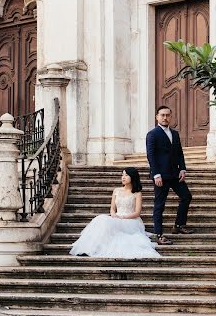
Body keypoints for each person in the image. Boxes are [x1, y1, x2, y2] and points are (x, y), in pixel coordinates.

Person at [69, 167, 160, 258]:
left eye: (126, 175)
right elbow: (112, 208)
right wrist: (113, 214)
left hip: (131, 220)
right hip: (116, 217)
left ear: (133, 177)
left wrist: (122, 218)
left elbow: (137, 213)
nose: (123, 177)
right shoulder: (116, 190)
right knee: (100, 219)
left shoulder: (137, 193)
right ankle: (89, 249)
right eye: (122, 175)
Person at [146, 105, 193, 245]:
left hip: (175, 174)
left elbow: (179, 153)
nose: (165, 118)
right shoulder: (152, 134)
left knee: (186, 196)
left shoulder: (175, 133)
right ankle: (159, 235)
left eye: (168, 115)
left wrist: (182, 169)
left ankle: (178, 225)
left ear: (170, 117)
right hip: (161, 176)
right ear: (157, 117)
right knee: (159, 205)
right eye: (162, 115)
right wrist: (156, 174)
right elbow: (151, 155)